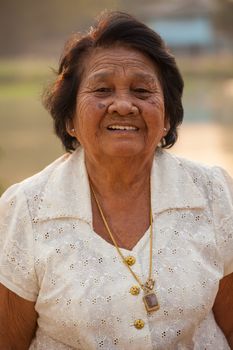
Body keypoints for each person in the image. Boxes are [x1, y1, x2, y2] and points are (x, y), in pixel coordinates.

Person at [0, 11, 232, 350]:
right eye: (102, 89)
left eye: (141, 90)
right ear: (70, 120)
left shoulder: (214, 193)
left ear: (166, 116)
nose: (123, 105)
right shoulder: (25, 209)